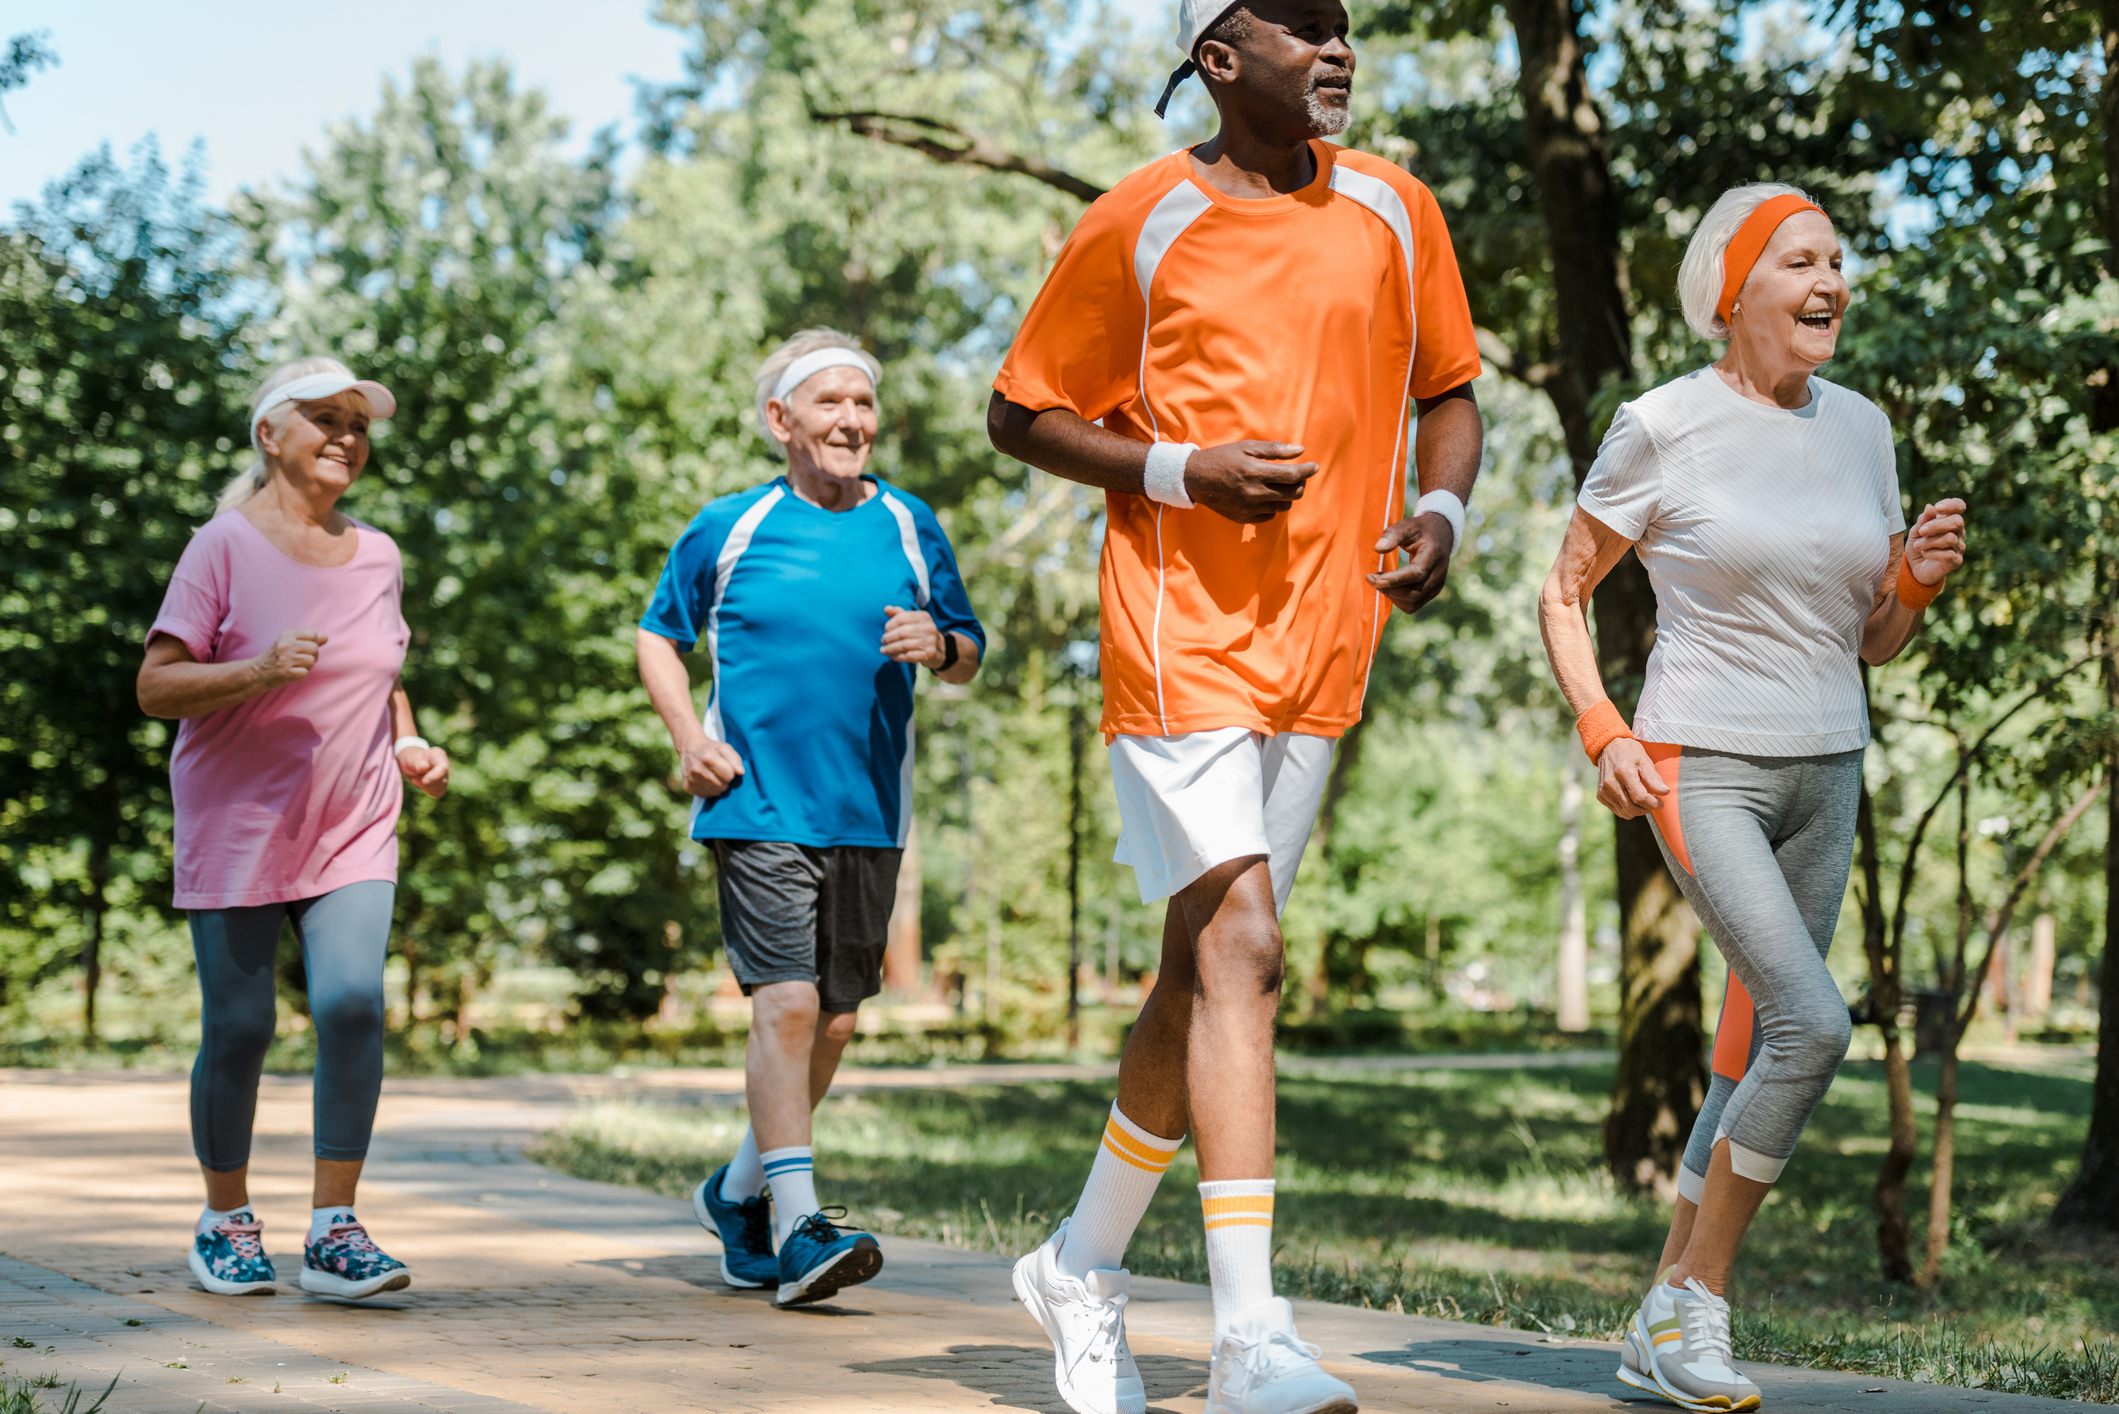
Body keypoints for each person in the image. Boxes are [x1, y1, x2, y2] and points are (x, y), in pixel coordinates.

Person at [986, 1, 1484, 1408]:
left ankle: (1078, 1262)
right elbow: (1016, 411)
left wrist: (1437, 508)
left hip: (1323, 644)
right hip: (1175, 630)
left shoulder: (1394, 207)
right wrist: (1176, 472)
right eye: (1302, 27)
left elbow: (1448, 390)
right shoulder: (1138, 217)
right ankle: (1250, 1331)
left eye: (1345, 29)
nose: (1336, 49)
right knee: (1247, 949)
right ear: (1219, 59)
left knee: (1201, 974)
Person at [1537, 184, 1968, 1411]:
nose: (1830, 279)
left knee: (1746, 1047)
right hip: (1698, 761)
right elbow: (1562, 591)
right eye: (1799, 260)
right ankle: (1697, 1301)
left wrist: (1915, 584)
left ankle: (1657, 1317)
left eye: (1836, 259)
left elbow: (1872, 638)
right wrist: (1600, 724)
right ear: (1733, 290)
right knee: (1812, 1026)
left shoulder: (1864, 429)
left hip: (1828, 764)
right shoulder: (1661, 424)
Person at [638, 329, 985, 1308]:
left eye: (863, 404)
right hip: (754, 801)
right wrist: (685, 739)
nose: (851, 421)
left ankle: (738, 1191)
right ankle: (799, 1225)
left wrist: (941, 643)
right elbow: (657, 635)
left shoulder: (912, 525)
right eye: (829, 403)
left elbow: (968, 645)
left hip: (869, 809)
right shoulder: (730, 525)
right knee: (784, 1005)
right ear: (780, 421)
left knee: (833, 1018)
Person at [137, 356, 450, 1302]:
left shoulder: (382, 554)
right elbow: (156, 686)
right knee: (240, 1027)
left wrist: (410, 739)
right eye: (324, 418)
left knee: (352, 1004)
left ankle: (335, 1232)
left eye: (358, 423)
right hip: (238, 821)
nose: (347, 436)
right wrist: (259, 670)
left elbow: (381, 670)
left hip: (352, 820)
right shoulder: (221, 547)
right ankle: (225, 1221)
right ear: (271, 435)